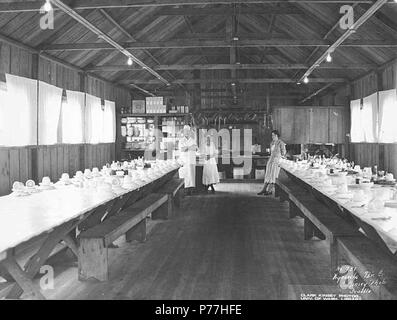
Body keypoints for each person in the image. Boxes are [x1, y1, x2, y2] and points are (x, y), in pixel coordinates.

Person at [258, 130, 286, 196]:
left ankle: (269, 190)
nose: (272, 136)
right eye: (272, 135)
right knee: (268, 175)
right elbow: (271, 152)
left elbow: (283, 152)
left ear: (276, 135)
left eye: (273, 135)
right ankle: (263, 189)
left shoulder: (281, 143)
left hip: (276, 161)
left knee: (273, 176)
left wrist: (279, 157)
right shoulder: (272, 143)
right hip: (271, 160)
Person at [179, 125, 198, 196]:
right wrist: (190, 147)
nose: (186, 132)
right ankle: (185, 191)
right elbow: (182, 149)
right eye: (185, 131)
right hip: (184, 161)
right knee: (185, 176)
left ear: (190, 132)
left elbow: (195, 148)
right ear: (183, 131)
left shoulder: (192, 140)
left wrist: (187, 148)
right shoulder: (181, 140)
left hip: (191, 161)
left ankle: (191, 190)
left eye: (188, 131)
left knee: (192, 176)